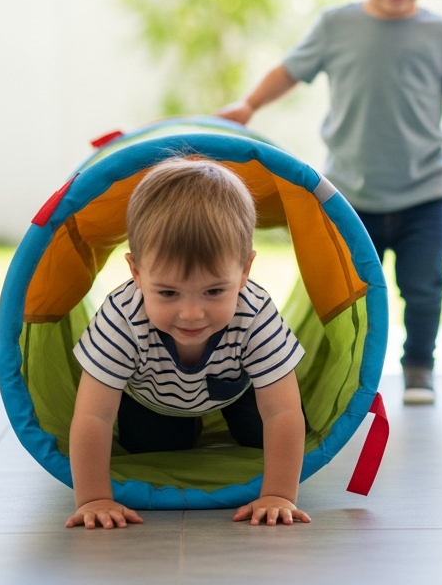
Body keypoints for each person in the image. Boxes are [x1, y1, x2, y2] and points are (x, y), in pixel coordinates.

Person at [218, 0, 442, 405]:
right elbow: (291, 70)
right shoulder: (337, 25)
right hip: (348, 195)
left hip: (422, 195)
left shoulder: (441, 34)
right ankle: (341, 367)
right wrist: (249, 105)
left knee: (424, 287)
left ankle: (418, 367)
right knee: (343, 291)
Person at [66, 158, 308, 530]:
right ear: (136, 273)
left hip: (236, 389)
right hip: (152, 398)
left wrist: (278, 493)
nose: (192, 313)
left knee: (262, 436)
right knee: (155, 447)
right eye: (167, 292)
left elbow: (283, 413)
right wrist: (95, 497)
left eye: (214, 291)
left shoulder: (254, 311)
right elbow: (93, 415)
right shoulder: (122, 317)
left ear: (244, 271)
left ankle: (218, 420)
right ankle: (186, 426)